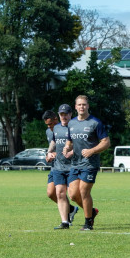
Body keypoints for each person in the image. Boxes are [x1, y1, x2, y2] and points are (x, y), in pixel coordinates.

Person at [63, 95, 110, 231]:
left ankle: (88, 223)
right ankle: (92, 212)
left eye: (84, 104)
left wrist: (92, 151)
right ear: (75, 107)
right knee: (72, 195)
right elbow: (70, 141)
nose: (82, 107)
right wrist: (67, 147)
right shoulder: (71, 123)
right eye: (79, 105)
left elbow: (106, 142)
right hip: (75, 164)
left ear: (88, 106)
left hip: (90, 164)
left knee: (84, 191)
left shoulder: (95, 123)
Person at [45, 105, 78, 229]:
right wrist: (49, 152)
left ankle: (89, 213)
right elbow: (53, 141)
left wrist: (72, 152)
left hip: (72, 166)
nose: (63, 116)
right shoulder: (57, 128)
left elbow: (82, 144)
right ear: (58, 115)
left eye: (66, 114)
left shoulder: (76, 126)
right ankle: (65, 222)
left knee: (73, 195)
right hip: (58, 166)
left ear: (70, 114)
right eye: (61, 114)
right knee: (59, 193)